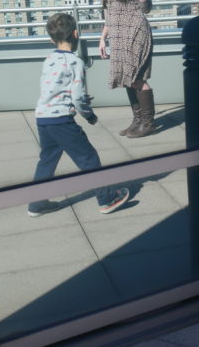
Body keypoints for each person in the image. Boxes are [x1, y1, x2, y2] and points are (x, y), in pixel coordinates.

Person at [28, 13, 130, 217]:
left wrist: (74, 100)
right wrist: (89, 115)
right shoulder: (76, 62)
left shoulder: (49, 59)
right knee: (88, 158)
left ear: (51, 39)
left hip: (43, 117)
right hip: (62, 120)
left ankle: (36, 203)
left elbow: (54, 89)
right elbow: (77, 98)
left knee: (47, 160)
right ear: (76, 34)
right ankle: (107, 199)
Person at [98, 0, 156, 138]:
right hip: (118, 35)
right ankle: (137, 120)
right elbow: (109, 11)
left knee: (137, 78)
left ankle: (148, 123)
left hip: (136, 32)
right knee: (127, 79)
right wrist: (103, 37)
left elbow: (146, 8)